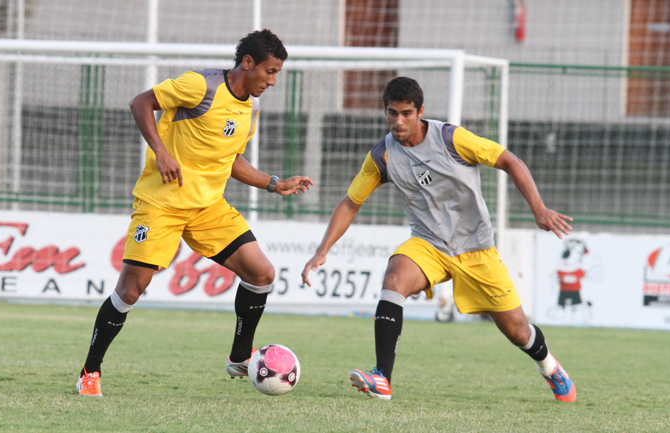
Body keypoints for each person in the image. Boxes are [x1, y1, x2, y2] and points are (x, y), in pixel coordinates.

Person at [300, 76, 576, 402]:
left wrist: (538, 209)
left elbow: (508, 160)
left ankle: (550, 367)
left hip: (476, 248)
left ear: (420, 111)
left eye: (406, 113)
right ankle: (382, 378)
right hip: (428, 244)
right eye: (392, 113)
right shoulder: (382, 156)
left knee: (518, 331)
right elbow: (350, 203)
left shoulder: (451, 139)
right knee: (395, 277)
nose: (398, 121)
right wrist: (322, 250)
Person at [76, 29, 314, 397]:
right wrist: (161, 151)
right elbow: (140, 102)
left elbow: (229, 160)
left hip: (208, 207)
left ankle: (239, 356)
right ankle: (90, 370)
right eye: (269, 71)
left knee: (261, 273)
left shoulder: (248, 108)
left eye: (277, 73)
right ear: (247, 63)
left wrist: (273, 183)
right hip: (162, 203)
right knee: (131, 289)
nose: (272, 80)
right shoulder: (199, 86)